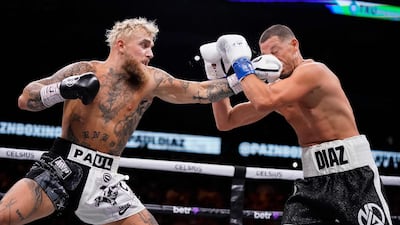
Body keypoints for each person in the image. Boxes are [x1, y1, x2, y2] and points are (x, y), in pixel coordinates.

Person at [0, 17, 250, 225]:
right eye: (144, 45)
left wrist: (245, 76)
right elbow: (26, 98)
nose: (150, 53)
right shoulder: (85, 70)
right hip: (62, 166)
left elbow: (200, 92)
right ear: (121, 44)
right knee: (4, 217)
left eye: (152, 47)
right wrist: (63, 89)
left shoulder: (152, 80)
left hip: (106, 181)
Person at [206, 25, 393, 225]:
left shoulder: (313, 72)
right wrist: (216, 75)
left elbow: (263, 100)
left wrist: (240, 62)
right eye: (264, 55)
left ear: (294, 44)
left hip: (353, 176)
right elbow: (226, 121)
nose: (271, 59)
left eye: (275, 51)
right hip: (313, 181)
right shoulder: (277, 90)